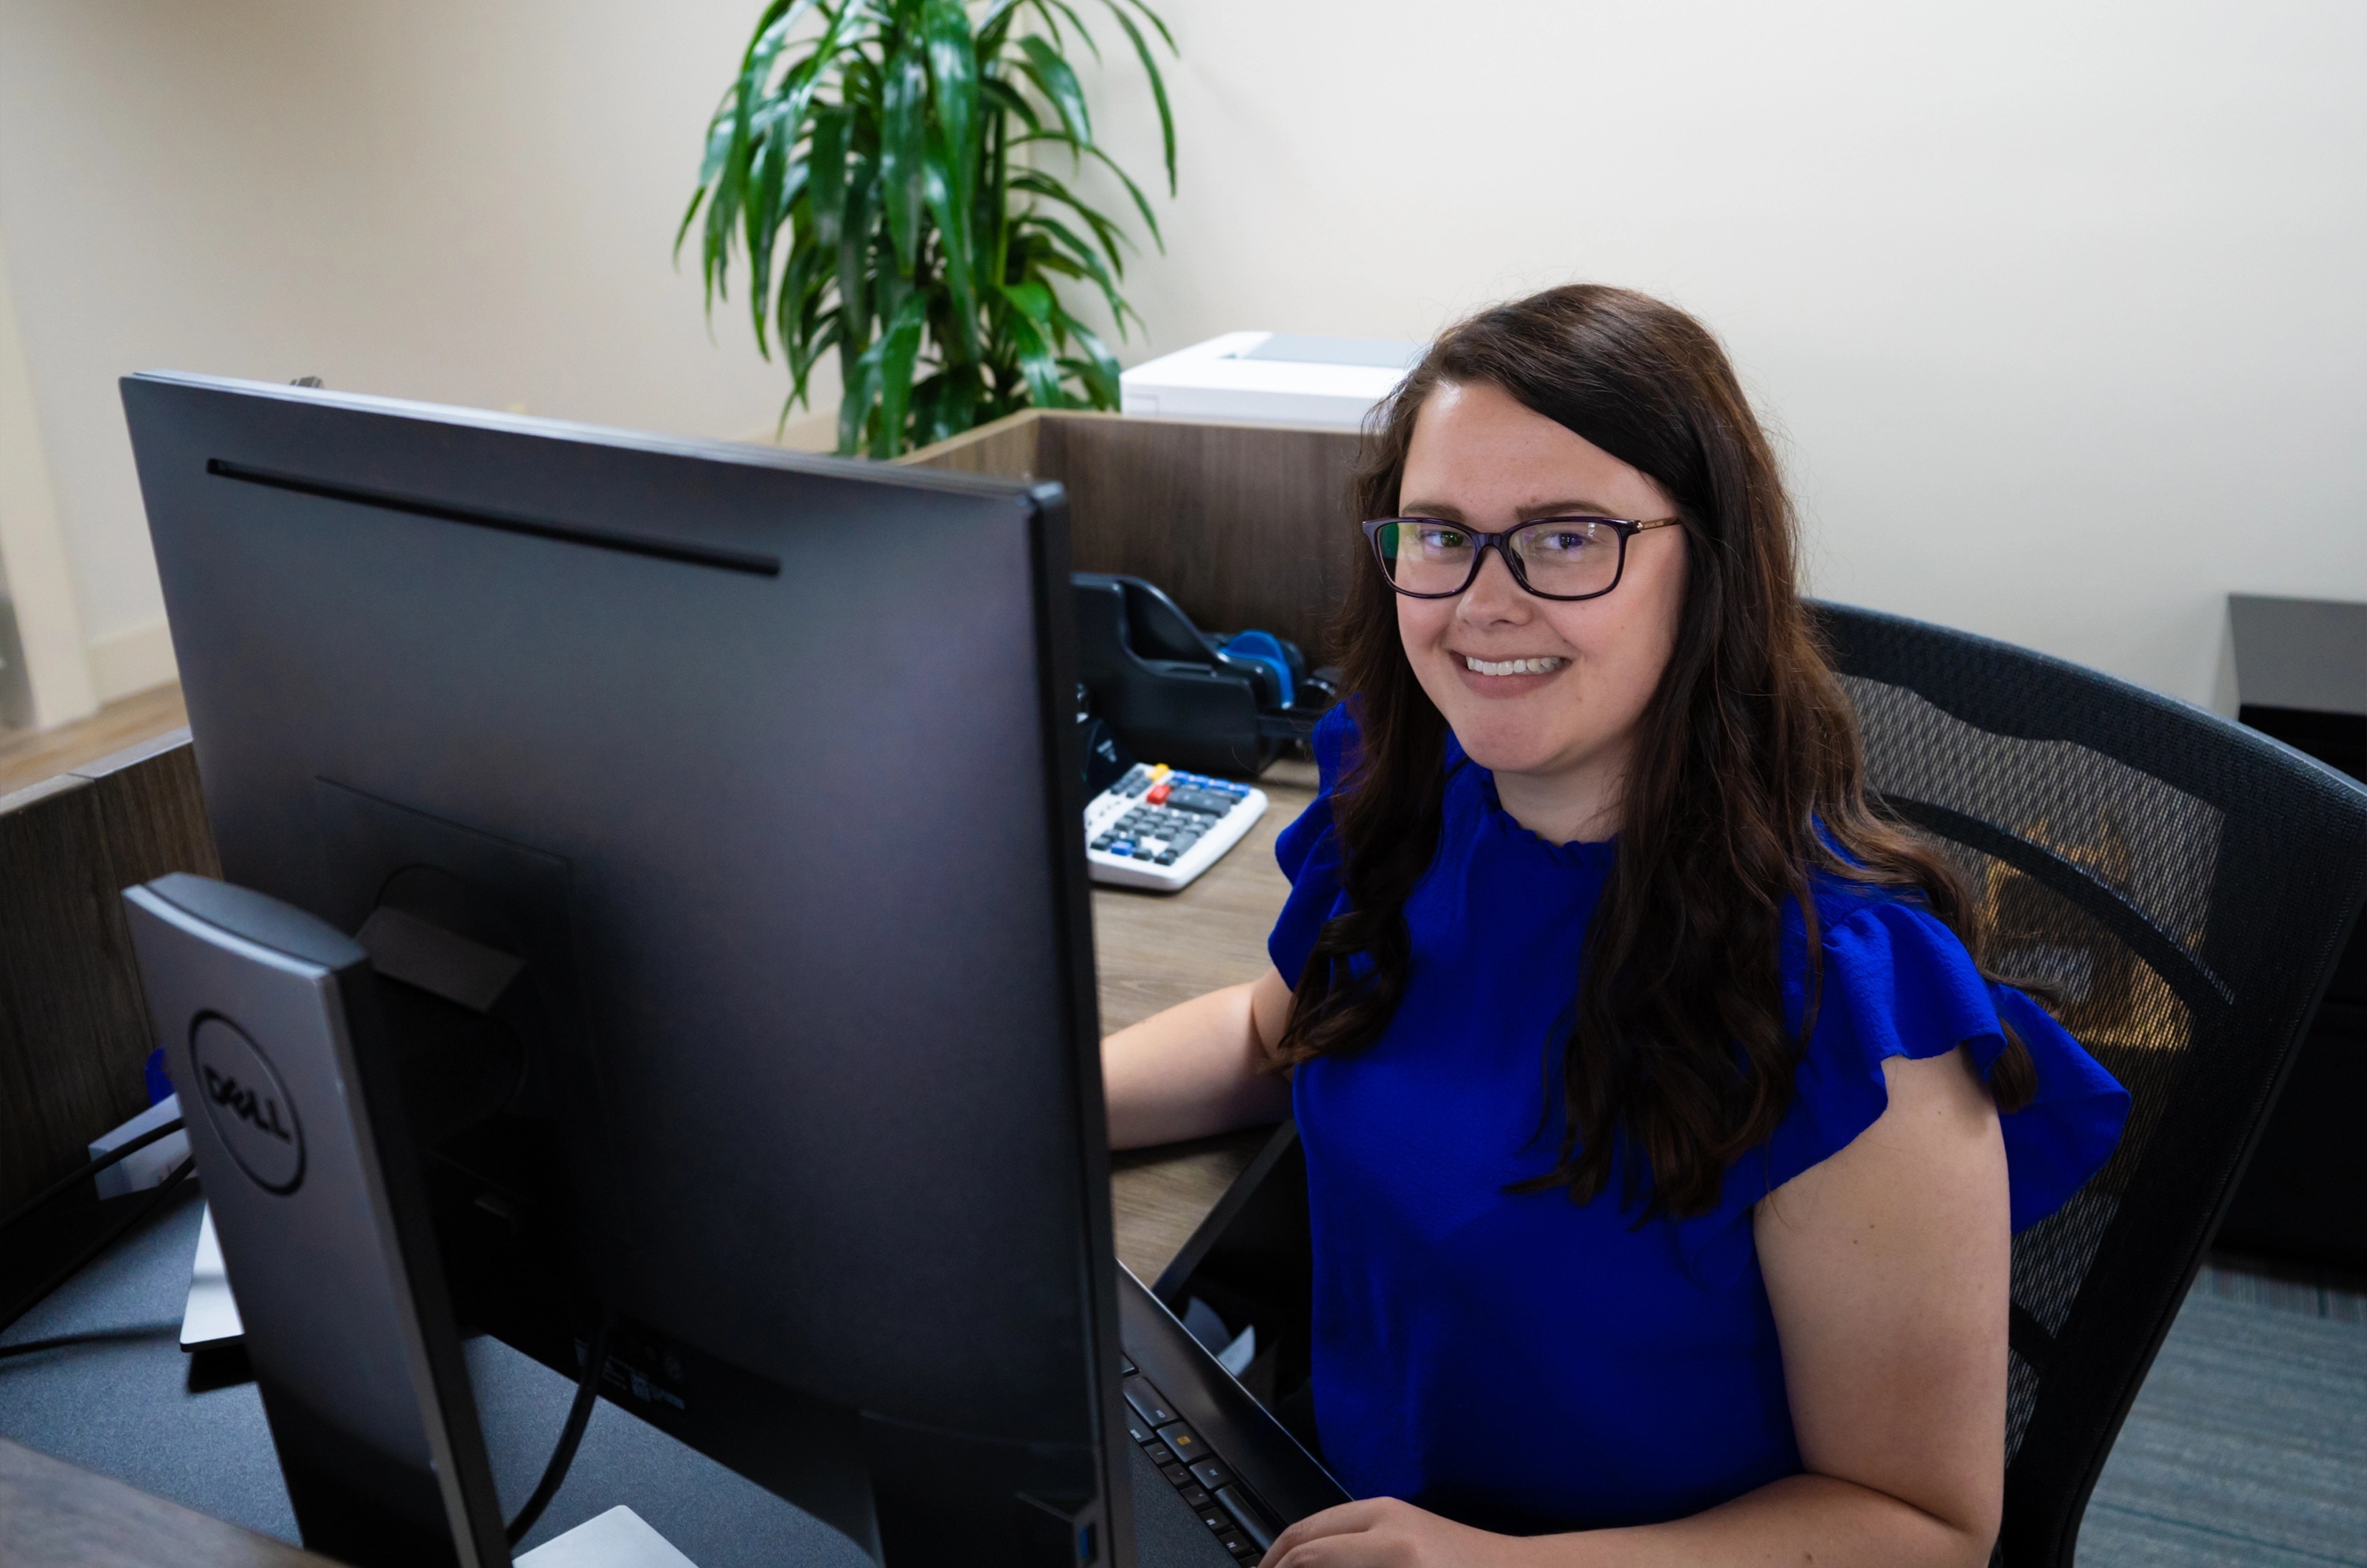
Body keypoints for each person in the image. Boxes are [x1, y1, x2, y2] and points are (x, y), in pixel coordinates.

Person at [1100, 285, 2130, 1567]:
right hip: (1338, 1507)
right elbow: (1275, 1034)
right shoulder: (1413, 800)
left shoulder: (1851, 1003)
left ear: (1707, 564)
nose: (1483, 598)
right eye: (1439, 534)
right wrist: (1034, 1107)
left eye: (1567, 537)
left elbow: (1920, 1524)